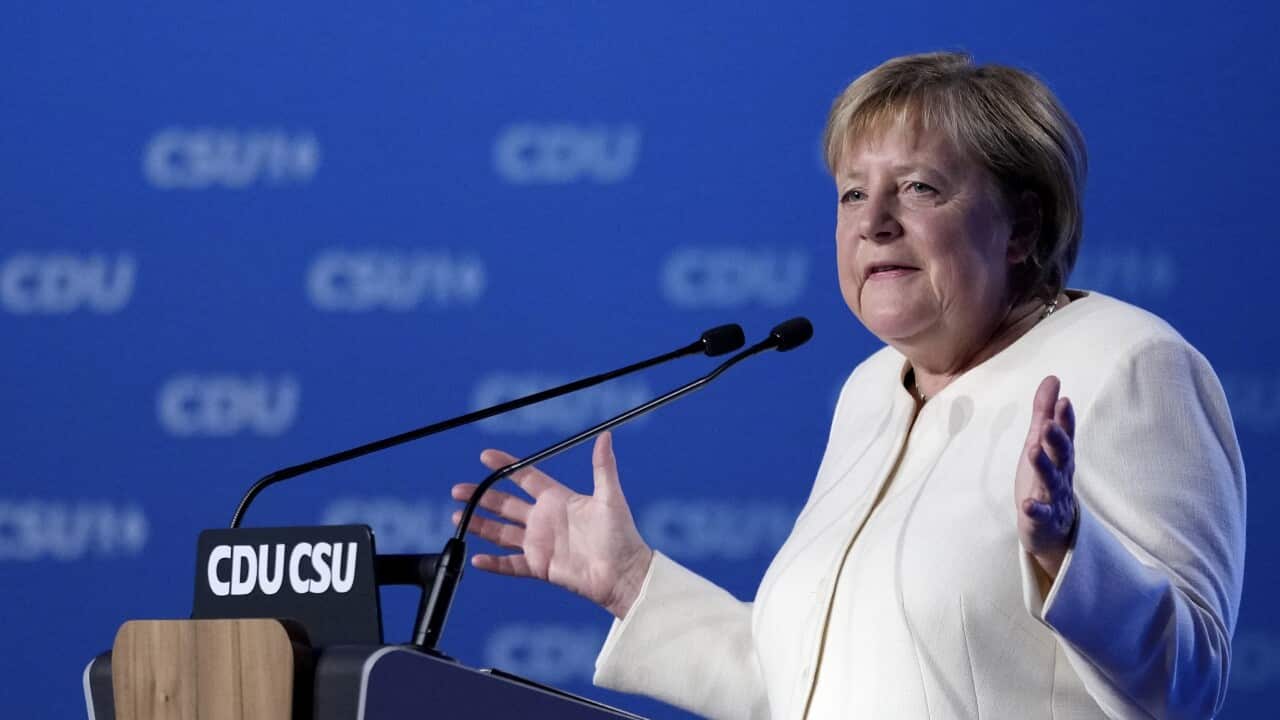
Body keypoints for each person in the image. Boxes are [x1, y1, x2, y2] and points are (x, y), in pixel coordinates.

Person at [451, 52, 1246, 719]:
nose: (875, 222)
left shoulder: (1127, 363)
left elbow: (1192, 684)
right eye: (853, 193)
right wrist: (632, 583)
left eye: (921, 188)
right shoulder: (872, 392)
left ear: (1023, 227)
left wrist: (1069, 553)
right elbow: (813, 687)